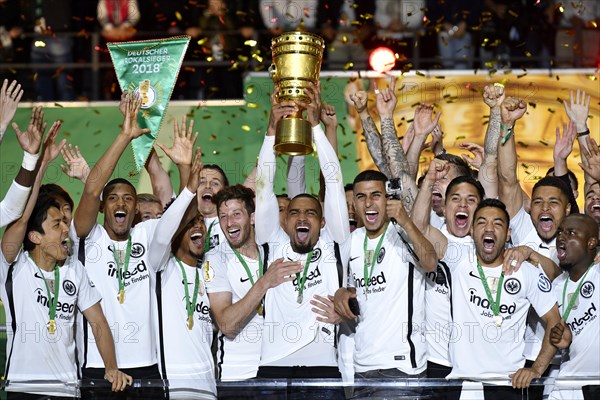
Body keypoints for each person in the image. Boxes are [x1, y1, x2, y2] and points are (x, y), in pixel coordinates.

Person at [0, 122, 132, 398]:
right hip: (24, 391)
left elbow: (99, 323)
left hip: (68, 392)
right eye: (57, 224)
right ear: (35, 237)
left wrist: (111, 367)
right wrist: (39, 162)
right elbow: (23, 218)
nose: (66, 229)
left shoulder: (74, 270)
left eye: (65, 221)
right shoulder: (13, 267)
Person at [254, 83, 349, 397]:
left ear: (323, 222)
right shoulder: (271, 242)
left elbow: (333, 181)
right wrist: (271, 130)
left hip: (323, 374)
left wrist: (317, 128)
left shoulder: (335, 243)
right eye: (295, 212)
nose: (303, 217)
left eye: (311, 212)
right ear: (284, 219)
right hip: (271, 372)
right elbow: (264, 186)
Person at [70, 94, 167, 397]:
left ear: (137, 208)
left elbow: (175, 205)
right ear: (102, 207)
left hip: (149, 365)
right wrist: (125, 135)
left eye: (128, 198)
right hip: (99, 367)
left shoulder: (148, 234)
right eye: (113, 198)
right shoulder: (88, 237)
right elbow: (93, 187)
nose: (121, 202)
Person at [445, 199, 570, 399]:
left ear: (508, 233)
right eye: (482, 222)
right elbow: (422, 229)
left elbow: (555, 321)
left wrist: (536, 369)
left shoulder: (527, 271)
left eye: (497, 223)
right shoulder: (457, 260)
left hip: (510, 384)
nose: (489, 228)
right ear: (471, 230)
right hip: (465, 384)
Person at [333, 169, 437, 398]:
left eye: (375, 195)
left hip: (401, 368)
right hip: (362, 367)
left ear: (388, 199)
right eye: (361, 197)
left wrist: (407, 222)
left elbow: (430, 263)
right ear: (354, 205)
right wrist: (342, 292)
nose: (368, 202)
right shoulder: (351, 242)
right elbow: (354, 289)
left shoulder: (401, 233)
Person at [206, 185, 302, 397]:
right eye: (223, 216)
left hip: (277, 373)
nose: (229, 223)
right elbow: (226, 324)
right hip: (237, 378)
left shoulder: (273, 250)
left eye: (236, 214)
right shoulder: (215, 259)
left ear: (252, 217)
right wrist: (265, 281)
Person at [151, 150, 217, 400]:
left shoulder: (210, 274)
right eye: (190, 224)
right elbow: (161, 235)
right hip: (172, 392)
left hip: (208, 391)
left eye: (200, 222)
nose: (198, 226)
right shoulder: (160, 268)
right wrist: (188, 184)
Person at [551, 214, 599, 400]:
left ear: (591, 242)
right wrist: (564, 342)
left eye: (571, 233)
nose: (562, 237)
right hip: (569, 383)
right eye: (560, 232)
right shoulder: (555, 286)